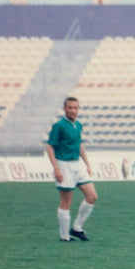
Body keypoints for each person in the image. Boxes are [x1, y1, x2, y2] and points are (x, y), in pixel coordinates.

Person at [45, 96, 96, 242]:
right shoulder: (59, 126)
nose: (73, 110)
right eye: (70, 108)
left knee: (92, 196)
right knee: (66, 202)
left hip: (77, 164)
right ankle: (64, 235)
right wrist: (56, 168)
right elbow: (50, 147)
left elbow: (80, 145)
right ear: (65, 109)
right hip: (63, 164)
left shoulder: (78, 125)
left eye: (75, 108)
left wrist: (87, 164)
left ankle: (77, 228)